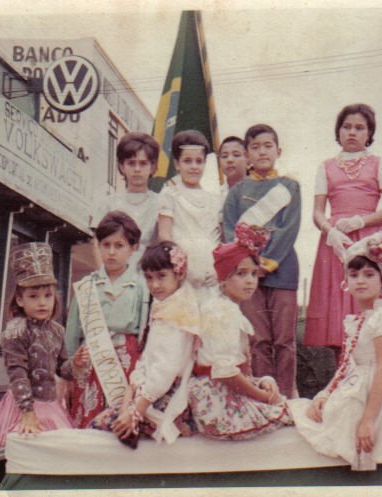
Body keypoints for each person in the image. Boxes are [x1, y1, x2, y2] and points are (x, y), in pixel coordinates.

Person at [288, 236, 382, 470]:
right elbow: (347, 364)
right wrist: (325, 393)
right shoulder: (361, 318)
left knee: (345, 417)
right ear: (346, 281)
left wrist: (368, 420)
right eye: (354, 275)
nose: (360, 281)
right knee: (321, 409)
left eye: (369, 275)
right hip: (364, 378)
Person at [304, 103, 382, 362]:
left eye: (359, 128)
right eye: (346, 127)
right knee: (337, 310)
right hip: (336, 243)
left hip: (369, 241)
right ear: (338, 131)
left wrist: (361, 221)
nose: (352, 132)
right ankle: (342, 376)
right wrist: (329, 230)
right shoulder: (325, 166)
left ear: (369, 133)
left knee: (369, 308)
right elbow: (317, 212)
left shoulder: (378, 164)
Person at [189, 223, 294, 440]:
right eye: (241, 274)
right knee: (292, 415)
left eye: (254, 274)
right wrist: (264, 397)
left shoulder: (228, 308)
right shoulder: (220, 311)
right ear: (223, 279)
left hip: (222, 388)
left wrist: (260, 383)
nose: (249, 281)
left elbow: (235, 369)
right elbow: (224, 371)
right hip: (216, 401)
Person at [90, 241, 199, 446]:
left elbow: (166, 370)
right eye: (149, 278)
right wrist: (127, 401)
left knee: (103, 428)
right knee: (107, 425)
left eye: (161, 276)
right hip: (150, 391)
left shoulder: (179, 313)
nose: (154, 285)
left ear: (179, 274)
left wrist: (136, 411)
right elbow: (147, 359)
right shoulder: (165, 306)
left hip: (165, 396)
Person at [223, 123, 301, 398]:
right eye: (255, 147)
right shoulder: (236, 192)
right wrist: (251, 265)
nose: (262, 152)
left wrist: (267, 262)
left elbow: (289, 227)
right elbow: (230, 230)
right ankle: (264, 398)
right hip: (247, 273)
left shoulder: (290, 186)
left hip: (283, 269)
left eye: (268, 146)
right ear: (247, 154)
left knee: (284, 340)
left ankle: (286, 399)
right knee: (257, 339)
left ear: (278, 151)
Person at [0, 242, 73, 447]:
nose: (42, 302)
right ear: (20, 300)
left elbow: (62, 369)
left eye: (48, 296)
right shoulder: (17, 331)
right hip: (24, 406)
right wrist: (27, 411)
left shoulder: (57, 331)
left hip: (51, 405)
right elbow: (17, 373)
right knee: (27, 450)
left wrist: (78, 364)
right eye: (33, 296)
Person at [65, 211, 148, 428]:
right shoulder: (86, 286)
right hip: (91, 360)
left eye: (119, 246)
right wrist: (72, 367)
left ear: (133, 247)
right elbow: (72, 333)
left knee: (121, 421)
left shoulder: (141, 286)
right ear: (98, 246)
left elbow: (145, 330)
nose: (111, 252)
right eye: (106, 245)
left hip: (127, 362)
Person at [158, 130, 222, 295]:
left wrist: (218, 269)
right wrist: (182, 265)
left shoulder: (214, 200)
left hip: (210, 273)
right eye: (187, 161)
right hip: (181, 272)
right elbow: (164, 236)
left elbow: (219, 240)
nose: (194, 166)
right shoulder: (170, 194)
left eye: (199, 161)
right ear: (177, 164)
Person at [95, 132, 160, 269]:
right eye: (131, 163)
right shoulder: (109, 204)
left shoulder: (161, 203)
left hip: (149, 273)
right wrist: (104, 275)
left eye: (143, 164)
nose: (137, 169)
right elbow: (96, 242)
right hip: (115, 273)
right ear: (121, 166)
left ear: (153, 167)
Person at [218, 135, 249, 201]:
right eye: (224, 156)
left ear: (247, 158)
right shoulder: (216, 195)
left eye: (236, 155)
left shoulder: (260, 191)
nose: (229, 160)